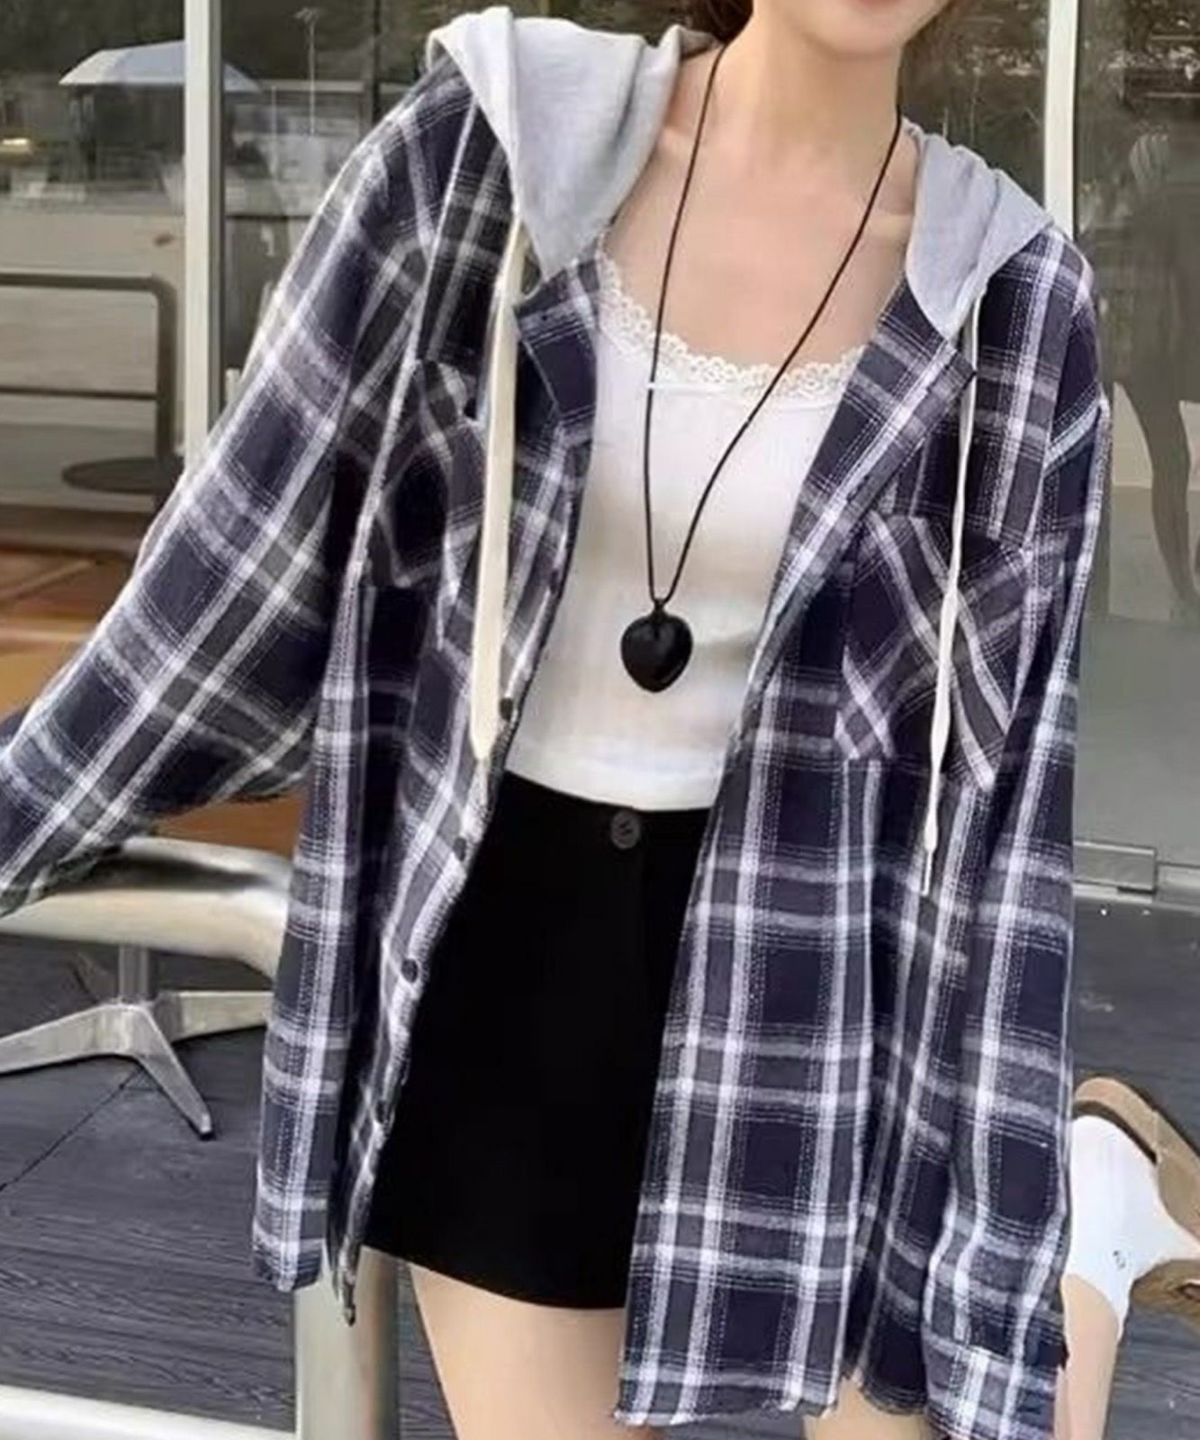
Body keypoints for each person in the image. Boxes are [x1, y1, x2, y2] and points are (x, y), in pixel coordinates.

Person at [0, 2, 1182, 1438]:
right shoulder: (491, 156)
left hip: (824, 973)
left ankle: (1087, 1222)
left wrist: (999, 1215)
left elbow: (1004, 814)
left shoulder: (1009, 300)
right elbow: (238, 569)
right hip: (511, 958)